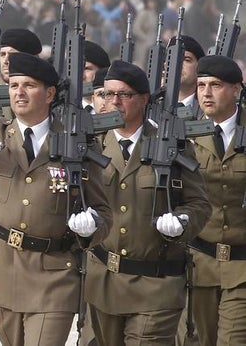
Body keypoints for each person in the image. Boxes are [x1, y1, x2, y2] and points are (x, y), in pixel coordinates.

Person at [0, 52, 113, 346]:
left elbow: (103, 212)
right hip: (1, 265)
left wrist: (92, 225)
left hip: (53, 272)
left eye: (29, 86)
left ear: (49, 94)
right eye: (14, 86)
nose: (19, 93)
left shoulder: (75, 143)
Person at [82, 60, 209, 346]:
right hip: (104, 282)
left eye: (123, 95)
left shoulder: (171, 145)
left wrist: (183, 221)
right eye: (107, 94)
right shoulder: (90, 145)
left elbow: (199, 204)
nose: (114, 102)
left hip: (156, 284)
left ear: (143, 99)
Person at [186, 55, 246, 345]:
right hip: (200, 264)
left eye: (216, 85)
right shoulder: (184, 135)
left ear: (236, 90)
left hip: (243, 265)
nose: (206, 93)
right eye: (201, 85)